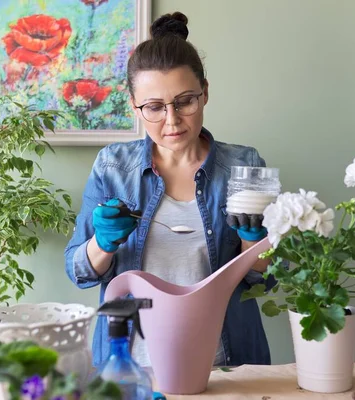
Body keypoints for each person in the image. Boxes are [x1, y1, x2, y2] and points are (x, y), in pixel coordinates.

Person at [65, 11, 276, 368]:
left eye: (184, 101)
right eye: (154, 107)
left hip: (225, 363)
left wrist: (254, 242)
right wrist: (102, 242)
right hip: (131, 365)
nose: (172, 120)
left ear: (205, 93)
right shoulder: (112, 167)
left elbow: (267, 280)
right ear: (135, 105)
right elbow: (79, 272)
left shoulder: (246, 164)